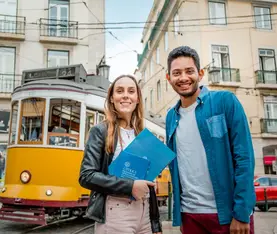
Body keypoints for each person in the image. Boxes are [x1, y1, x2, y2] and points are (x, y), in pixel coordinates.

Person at [165, 46, 256, 234]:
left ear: (200, 73)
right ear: (168, 78)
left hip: (227, 215)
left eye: (189, 71)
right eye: (177, 73)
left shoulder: (225, 101)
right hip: (190, 215)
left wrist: (241, 212)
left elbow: (244, 158)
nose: (183, 78)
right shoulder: (170, 117)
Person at [79, 74, 162, 234]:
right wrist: (130, 186)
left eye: (131, 91)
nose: (125, 95)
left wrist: (155, 223)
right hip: (116, 211)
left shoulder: (143, 135)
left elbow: (148, 181)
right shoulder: (100, 131)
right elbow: (86, 176)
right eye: (119, 91)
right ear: (112, 98)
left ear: (137, 98)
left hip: (144, 214)